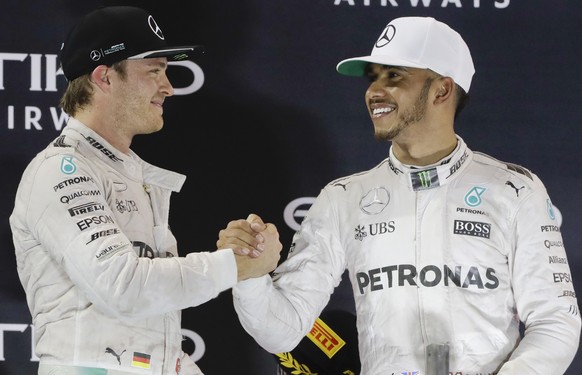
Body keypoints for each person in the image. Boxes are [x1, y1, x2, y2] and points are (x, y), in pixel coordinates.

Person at [217, 16, 581, 374]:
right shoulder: (343, 198)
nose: (374, 91)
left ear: (442, 89)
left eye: (394, 76)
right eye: (373, 77)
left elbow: (556, 322)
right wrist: (249, 277)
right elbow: (282, 331)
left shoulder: (514, 190)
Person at [9, 6, 281, 375]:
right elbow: (122, 287)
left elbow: (145, 330)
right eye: (154, 71)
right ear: (104, 77)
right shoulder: (60, 170)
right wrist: (235, 264)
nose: (168, 87)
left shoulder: (127, 173)